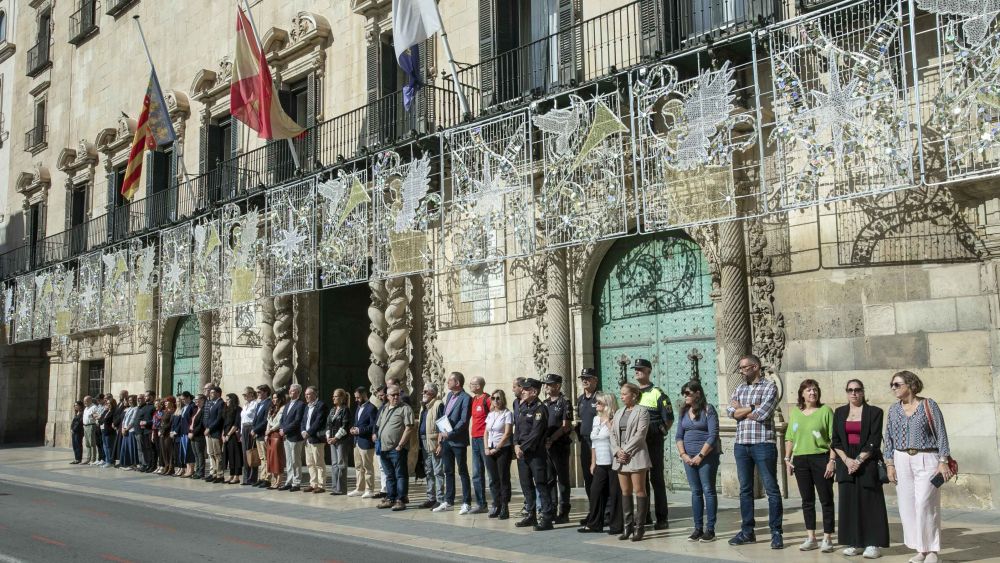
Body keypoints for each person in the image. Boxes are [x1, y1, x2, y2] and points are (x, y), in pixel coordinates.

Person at [885, 371, 952, 563]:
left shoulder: (928, 405)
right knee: (907, 507)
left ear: (911, 385)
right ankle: (920, 549)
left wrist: (943, 461)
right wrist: (890, 464)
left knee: (925, 504)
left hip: (927, 458)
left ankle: (932, 551)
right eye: (892, 385)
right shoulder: (893, 409)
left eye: (897, 384)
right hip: (900, 458)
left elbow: (941, 433)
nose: (893, 388)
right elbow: (888, 438)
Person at [727, 354, 784, 549]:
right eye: (740, 368)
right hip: (741, 444)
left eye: (744, 368)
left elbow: (764, 414)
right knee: (745, 490)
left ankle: (776, 531)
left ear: (755, 367)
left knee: (771, 489)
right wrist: (751, 407)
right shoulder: (739, 388)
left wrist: (741, 410)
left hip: (763, 443)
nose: (741, 371)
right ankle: (747, 531)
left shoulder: (769, 387)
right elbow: (730, 413)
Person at [832, 379, 889, 559]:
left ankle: (873, 543)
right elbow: (835, 440)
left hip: (867, 461)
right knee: (849, 503)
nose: (853, 393)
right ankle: (854, 542)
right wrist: (847, 460)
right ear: (846, 392)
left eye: (857, 390)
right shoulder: (840, 412)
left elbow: (874, 439)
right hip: (845, 461)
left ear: (863, 392)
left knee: (870, 502)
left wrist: (858, 460)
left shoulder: (875, 412)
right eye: (850, 390)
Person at [784, 379, 835, 552]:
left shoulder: (825, 411)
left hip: (821, 458)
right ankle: (811, 537)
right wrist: (786, 459)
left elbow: (834, 439)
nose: (812, 393)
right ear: (802, 394)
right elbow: (790, 437)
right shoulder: (796, 413)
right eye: (808, 390)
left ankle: (827, 537)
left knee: (826, 499)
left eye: (815, 390)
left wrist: (832, 461)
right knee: (807, 501)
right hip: (800, 460)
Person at [674, 380, 720, 543]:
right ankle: (698, 528)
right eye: (683, 393)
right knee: (695, 492)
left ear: (698, 393)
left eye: (687, 393)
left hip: (706, 457)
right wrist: (684, 455)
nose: (685, 396)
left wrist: (700, 455)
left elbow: (712, 435)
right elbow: (679, 435)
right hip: (688, 458)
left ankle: (710, 530)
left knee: (708, 490)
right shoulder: (684, 411)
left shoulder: (708, 410)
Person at [632, 358, 674, 530]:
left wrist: (659, 433)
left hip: (653, 442)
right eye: (636, 369)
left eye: (641, 369)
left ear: (649, 371)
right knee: (641, 480)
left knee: (656, 479)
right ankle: (644, 516)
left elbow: (669, 418)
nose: (637, 371)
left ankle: (662, 518)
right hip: (638, 443)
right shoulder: (632, 393)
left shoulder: (657, 392)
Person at [611, 383, 651, 542]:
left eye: (624, 394)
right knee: (625, 491)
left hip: (636, 454)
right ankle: (627, 527)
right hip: (620, 457)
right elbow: (612, 434)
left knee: (639, 490)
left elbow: (641, 434)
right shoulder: (619, 412)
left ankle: (639, 528)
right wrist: (617, 451)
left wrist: (626, 450)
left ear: (634, 395)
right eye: (620, 394)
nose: (621, 397)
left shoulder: (642, 411)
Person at [579, 391, 623, 534]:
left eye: (599, 403)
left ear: (607, 405)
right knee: (595, 491)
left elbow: (617, 439)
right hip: (600, 462)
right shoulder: (596, 420)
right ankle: (594, 523)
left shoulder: (615, 419)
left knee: (615, 493)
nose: (596, 405)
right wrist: (593, 462)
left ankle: (616, 525)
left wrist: (609, 425)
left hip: (613, 462)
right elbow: (593, 443)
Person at [514, 378, 554, 531]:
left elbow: (536, 433)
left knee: (541, 484)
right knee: (526, 485)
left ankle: (547, 517)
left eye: (526, 389)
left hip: (535, 453)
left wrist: (522, 447)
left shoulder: (540, 409)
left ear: (534, 392)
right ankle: (531, 514)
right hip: (522, 453)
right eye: (522, 388)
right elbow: (517, 428)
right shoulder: (523, 406)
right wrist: (516, 444)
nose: (522, 391)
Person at [435, 372, 472, 514]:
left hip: (458, 440)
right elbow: (444, 417)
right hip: (446, 441)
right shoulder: (449, 396)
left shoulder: (466, 398)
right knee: (448, 471)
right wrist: (441, 435)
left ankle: (466, 502)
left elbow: (464, 420)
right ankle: (448, 501)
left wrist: (450, 433)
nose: (447, 382)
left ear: (457, 383)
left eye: (450, 380)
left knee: (462, 471)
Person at [375, 385, 414, 511]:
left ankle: (401, 499)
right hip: (384, 448)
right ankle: (391, 498)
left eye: (398, 394)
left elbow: (409, 428)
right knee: (389, 475)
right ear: (387, 396)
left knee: (400, 475)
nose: (396, 397)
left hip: (397, 449)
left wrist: (400, 445)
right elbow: (378, 425)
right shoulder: (385, 408)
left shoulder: (405, 408)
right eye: (393, 395)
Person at [543, 373, 574, 523]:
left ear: (557, 386)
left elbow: (566, 426)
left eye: (550, 384)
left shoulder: (564, 402)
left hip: (560, 445)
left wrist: (552, 439)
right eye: (546, 384)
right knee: (549, 479)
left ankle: (564, 511)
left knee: (562, 479)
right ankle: (552, 508)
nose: (547, 387)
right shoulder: (545, 403)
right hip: (547, 446)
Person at [484, 389, 513, 520]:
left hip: (502, 449)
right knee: (493, 479)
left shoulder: (507, 414)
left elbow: (507, 433)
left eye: (498, 398)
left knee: (503, 478)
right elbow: (486, 432)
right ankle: (496, 504)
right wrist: (486, 447)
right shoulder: (490, 414)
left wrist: (497, 448)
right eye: (493, 398)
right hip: (489, 449)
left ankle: (505, 506)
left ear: (502, 399)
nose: (495, 401)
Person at [417, 384, 445, 509]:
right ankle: (431, 498)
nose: (423, 393)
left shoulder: (438, 405)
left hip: (434, 442)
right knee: (429, 471)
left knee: (438, 471)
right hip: (424, 442)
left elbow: (444, 426)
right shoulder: (424, 406)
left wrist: (441, 443)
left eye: (425, 391)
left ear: (433, 393)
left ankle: (440, 498)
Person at [348, 387, 378, 498]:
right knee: (358, 466)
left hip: (366, 442)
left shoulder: (371, 408)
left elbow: (373, 426)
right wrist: (353, 429)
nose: (356, 399)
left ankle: (369, 489)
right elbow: (358, 423)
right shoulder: (358, 408)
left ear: (364, 395)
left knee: (367, 467)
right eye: (355, 397)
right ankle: (359, 488)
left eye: (358, 397)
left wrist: (360, 430)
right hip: (357, 441)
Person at [576, 369, 600, 505]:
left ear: (595, 380)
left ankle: (605, 512)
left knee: (598, 476)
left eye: (588, 378)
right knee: (587, 477)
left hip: (597, 442)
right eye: (582, 378)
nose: (584, 380)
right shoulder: (580, 399)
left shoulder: (599, 398)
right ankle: (593, 510)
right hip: (584, 442)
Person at [469, 376, 491, 515]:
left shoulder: (486, 399)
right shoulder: (473, 399)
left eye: (472, 384)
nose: (470, 386)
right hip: (474, 438)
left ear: (479, 386)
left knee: (490, 472)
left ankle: (497, 503)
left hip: (484, 439)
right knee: (476, 473)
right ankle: (481, 503)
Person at [279, 384, 306, 491]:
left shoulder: (301, 405)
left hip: (295, 437)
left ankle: (296, 482)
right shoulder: (287, 404)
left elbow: (297, 421)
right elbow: (282, 419)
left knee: (296, 460)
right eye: (290, 390)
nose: (290, 392)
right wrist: (281, 429)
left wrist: (285, 430)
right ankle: (289, 481)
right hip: (286, 436)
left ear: (298, 392)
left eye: (293, 390)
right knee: (289, 461)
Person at [301, 386, 328, 493]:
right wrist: (303, 431)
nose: (306, 396)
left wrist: (308, 432)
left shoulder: (321, 405)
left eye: (308, 394)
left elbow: (319, 421)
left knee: (319, 462)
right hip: (307, 439)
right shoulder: (307, 407)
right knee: (310, 463)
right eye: (306, 394)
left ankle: (321, 485)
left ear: (315, 394)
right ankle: (313, 483)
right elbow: (303, 421)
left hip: (316, 438)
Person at [325, 388, 352, 495]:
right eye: (333, 396)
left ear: (341, 398)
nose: (333, 398)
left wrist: (336, 438)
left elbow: (345, 426)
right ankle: (335, 488)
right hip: (332, 440)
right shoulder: (332, 410)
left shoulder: (345, 410)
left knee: (341, 464)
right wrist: (328, 436)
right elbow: (328, 424)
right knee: (334, 464)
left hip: (341, 441)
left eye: (336, 396)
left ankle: (341, 489)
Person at [251, 385, 272, 488]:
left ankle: (267, 478)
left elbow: (265, 420)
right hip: (257, 434)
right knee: (261, 457)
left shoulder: (269, 403)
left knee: (266, 457)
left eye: (259, 392)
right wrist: (253, 428)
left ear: (265, 392)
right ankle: (262, 476)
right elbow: (256, 418)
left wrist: (256, 429)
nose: (258, 394)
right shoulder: (259, 404)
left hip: (263, 433)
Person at [203, 385, 225, 483]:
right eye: (210, 393)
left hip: (216, 432)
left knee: (217, 454)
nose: (210, 394)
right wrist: (206, 427)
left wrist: (210, 428)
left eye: (212, 393)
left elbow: (219, 419)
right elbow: (208, 417)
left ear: (218, 393)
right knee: (211, 454)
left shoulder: (221, 403)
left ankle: (220, 474)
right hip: (209, 432)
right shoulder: (211, 403)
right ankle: (214, 473)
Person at [265, 391, 287, 489]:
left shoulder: (283, 408)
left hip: (277, 434)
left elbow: (279, 422)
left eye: (276, 398)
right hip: (270, 434)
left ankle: (279, 481)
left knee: (277, 458)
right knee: (270, 458)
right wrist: (266, 432)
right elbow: (268, 422)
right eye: (273, 398)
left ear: (281, 398)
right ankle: (273, 481)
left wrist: (271, 430)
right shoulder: (272, 409)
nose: (275, 400)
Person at [222, 393, 244, 484]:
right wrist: (223, 434)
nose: (226, 401)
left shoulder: (238, 409)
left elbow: (236, 423)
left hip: (234, 436)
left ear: (232, 400)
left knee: (236, 456)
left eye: (228, 399)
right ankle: (231, 475)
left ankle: (236, 476)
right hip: (226, 435)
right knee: (229, 456)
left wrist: (228, 435)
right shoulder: (226, 409)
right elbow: (224, 423)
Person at [240, 387, 259, 486]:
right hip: (244, 428)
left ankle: (253, 478)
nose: (244, 396)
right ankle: (246, 477)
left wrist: (254, 429)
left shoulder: (255, 404)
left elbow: (256, 418)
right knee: (244, 454)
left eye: (246, 394)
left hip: (251, 428)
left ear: (251, 394)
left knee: (251, 453)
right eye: (243, 395)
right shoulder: (245, 405)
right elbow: (242, 419)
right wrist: (240, 433)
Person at [188, 394, 206, 479]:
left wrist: (193, 433)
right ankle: (197, 470)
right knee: (195, 454)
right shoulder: (195, 410)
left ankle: (201, 472)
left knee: (200, 454)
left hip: (199, 435)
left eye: (197, 399)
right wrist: (189, 431)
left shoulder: (204, 410)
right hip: (192, 434)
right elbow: (191, 422)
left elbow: (201, 425)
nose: (195, 401)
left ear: (202, 400)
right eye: (195, 399)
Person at [121, 395, 138, 470]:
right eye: (129, 400)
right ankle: (126, 464)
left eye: (131, 400)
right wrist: (122, 428)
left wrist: (127, 429)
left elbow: (133, 420)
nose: (130, 401)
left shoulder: (136, 409)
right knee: (125, 448)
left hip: (131, 430)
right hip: (125, 430)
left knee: (131, 448)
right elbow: (124, 419)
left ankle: (133, 464)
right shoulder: (128, 409)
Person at [71, 400, 85, 464]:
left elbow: (79, 423)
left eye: (76, 405)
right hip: (74, 431)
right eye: (74, 405)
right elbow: (73, 422)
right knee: (74, 445)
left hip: (78, 431)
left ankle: (79, 459)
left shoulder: (82, 413)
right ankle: (76, 458)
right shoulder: (77, 413)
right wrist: (71, 429)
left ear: (80, 406)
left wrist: (74, 429)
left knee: (78, 445)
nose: (75, 406)